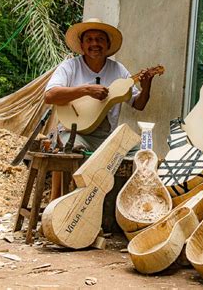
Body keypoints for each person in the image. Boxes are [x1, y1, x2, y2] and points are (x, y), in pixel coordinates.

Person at [44, 18, 155, 200]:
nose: (95, 44)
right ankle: (77, 205)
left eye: (100, 39)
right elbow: (50, 95)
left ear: (108, 44)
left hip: (107, 136)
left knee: (142, 154)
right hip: (74, 133)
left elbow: (139, 104)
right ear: (82, 45)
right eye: (90, 39)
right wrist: (86, 90)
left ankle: (126, 205)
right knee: (78, 153)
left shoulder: (119, 70)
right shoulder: (70, 67)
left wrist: (147, 86)